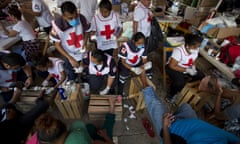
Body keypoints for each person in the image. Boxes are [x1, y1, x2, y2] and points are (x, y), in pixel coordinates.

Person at [142, 86, 240, 143]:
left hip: (172, 130)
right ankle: (174, 114)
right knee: (186, 107)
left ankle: (144, 81)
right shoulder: (235, 140)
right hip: (191, 123)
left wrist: (165, 127)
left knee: (153, 102)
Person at [27, 97, 117, 144]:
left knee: (90, 127)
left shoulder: (77, 135)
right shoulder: (78, 137)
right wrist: (106, 138)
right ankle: (112, 106)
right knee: (106, 130)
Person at [50, 1, 90, 81]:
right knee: (71, 73)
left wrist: (84, 43)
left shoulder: (81, 18)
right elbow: (57, 45)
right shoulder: (58, 25)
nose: (74, 19)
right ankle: (74, 83)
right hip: (68, 52)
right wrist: (70, 58)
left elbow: (86, 31)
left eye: (75, 16)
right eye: (70, 18)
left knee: (85, 69)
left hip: (81, 50)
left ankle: (84, 81)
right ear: (64, 16)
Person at [166, 34, 204, 101]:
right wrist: (187, 70)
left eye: (198, 46)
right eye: (195, 47)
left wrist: (193, 67)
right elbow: (171, 66)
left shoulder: (195, 49)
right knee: (179, 83)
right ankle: (171, 95)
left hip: (187, 67)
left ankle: (187, 87)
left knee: (201, 76)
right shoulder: (178, 51)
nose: (197, 49)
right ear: (187, 46)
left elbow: (194, 59)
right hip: (174, 68)